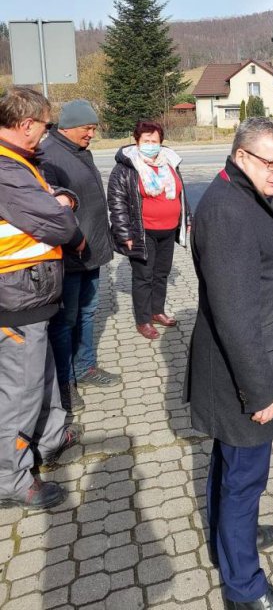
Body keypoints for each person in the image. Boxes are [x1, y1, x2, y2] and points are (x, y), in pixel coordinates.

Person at [185, 117, 273, 610]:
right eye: (271, 162)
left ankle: (231, 541)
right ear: (241, 156)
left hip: (258, 360)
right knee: (244, 477)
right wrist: (259, 391)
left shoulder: (250, 192)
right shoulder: (228, 211)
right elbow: (235, 314)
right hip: (246, 373)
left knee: (233, 465)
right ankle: (245, 590)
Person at [0, 87, 83, 510]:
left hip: (30, 297)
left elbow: (48, 208)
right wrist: (62, 207)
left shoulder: (19, 162)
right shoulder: (5, 168)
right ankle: (11, 479)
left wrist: (58, 199)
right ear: (26, 123)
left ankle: (50, 440)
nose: (46, 134)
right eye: (45, 125)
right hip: (13, 299)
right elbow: (59, 225)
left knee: (43, 373)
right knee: (20, 390)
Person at [40, 99, 120, 413]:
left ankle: (85, 367)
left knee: (86, 314)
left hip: (92, 252)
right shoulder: (50, 156)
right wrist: (75, 240)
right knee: (65, 322)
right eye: (88, 128)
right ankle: (65, 383)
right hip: (70, 255)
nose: (91, 134)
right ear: (70, 126)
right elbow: (55, 208)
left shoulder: (79, 152)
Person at [107, 120, 189, 341]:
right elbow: (117, 203)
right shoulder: (126, 167)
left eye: (154, 141)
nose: (150, 144)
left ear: (161, 143)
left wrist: (185, 218)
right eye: (146, 141)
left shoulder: (169, 163)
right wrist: (125, 234)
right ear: (137, 141)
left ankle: (157, 310)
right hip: (143, 232)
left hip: (168, 230)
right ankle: (143, 320)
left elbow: (181, 193)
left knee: (161, 273)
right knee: (143, 276)